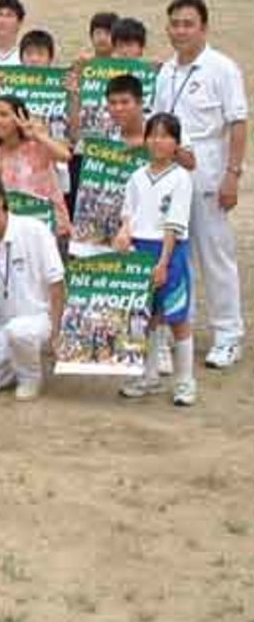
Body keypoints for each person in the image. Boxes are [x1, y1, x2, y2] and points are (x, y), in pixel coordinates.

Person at [151, 0, 247, 369]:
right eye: (174, 23)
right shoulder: (166, 72)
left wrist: (232, 175)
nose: (180, 30)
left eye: (188, 24)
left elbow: (237, 123)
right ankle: (179, 331)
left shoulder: (222, 68)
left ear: (203, 28)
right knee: (174, 256)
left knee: (214, 253)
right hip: (170, 168)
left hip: (207, 166)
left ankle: (228, 334)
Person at [0, 172, 66, 401]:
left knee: (20, 331)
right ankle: (17, 365)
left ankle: (31, 376)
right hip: (2, 327)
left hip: (39, 320)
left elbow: (57, 284)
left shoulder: (34, 229)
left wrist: (56, 333)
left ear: (0, 200)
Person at [115, 112, 198, 406]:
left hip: (169, 251)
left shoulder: (181, 178)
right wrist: (125, 233)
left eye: (165, 136)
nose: (158, 141)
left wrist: (163, 263)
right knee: (147, 317)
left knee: (177, 318)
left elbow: (174, 224)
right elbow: (129, 212)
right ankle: (148, 376)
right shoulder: (137, 176)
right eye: (153, 135)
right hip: (140, 251)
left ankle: (185, 382)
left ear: (176, 143)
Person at [0, 95, 72, 237]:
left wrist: (39, 136)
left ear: (20, 117)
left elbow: (65, 156)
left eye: (4, 115)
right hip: (19, 231)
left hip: (51, 227)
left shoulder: (36, 144)